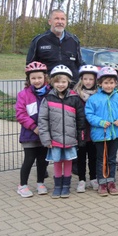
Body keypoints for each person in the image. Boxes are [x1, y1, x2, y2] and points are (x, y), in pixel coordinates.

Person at [38, 65, 86, 199]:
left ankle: (66, 186)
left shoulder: (75, 99)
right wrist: (46, 139)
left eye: (63, 81)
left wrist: (80, 137)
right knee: (57, 162)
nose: (60, 84)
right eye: (57, 81)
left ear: (69, 82)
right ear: (52, 82)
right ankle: (57, 186)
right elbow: (42, 120)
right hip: (54, 139)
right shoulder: (47, 99)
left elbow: (80, 119)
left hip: (70, 139)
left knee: (68, 162)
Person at [85, 66, 118, 197]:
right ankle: (102, 183)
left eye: (111, 83)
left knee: (111, 159)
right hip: (100, 134)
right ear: (100, 83)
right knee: (101, 159)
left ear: (116, 83)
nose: (109, 86)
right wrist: (101, 122)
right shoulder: (93, 99)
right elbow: (89, 114)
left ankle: (111, 182)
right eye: (106, 83)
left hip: (115, 133)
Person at [15, 62, 51, 198]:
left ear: (45, 78)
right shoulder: (24, 94)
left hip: (45, 134)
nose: (37, 81)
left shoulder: (50, 93)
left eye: (39, 78)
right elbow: (20, 114)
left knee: (43, 160)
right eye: (33, 78)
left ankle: (40, 183)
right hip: (30, 134)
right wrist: (33, 127)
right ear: (28, 80)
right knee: (29, 159)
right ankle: (22, 185)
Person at [26, 9, 82, 81]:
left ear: (66, 22)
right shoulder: (39, 41)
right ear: (50, 22)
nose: (60, 22)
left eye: (62, 19)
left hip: (71, 86)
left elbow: (79, 63)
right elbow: (30, 66)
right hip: (48, 86)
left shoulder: (74, 40)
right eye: (56, 19)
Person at [73, 65, 100, 192]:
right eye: (85, 79)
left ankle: (93, 178)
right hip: (81, 130)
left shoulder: (99, 94)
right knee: (81, 156)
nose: (88, 82)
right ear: (81, 80)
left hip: (94, 130)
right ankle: (81, 180)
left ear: (95, 80)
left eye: (91, 79)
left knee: (93, 156)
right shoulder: (76, 95)